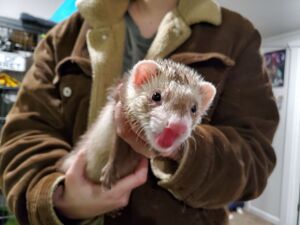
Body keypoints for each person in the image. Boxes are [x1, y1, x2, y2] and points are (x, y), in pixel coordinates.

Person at [0, 0, 279, 224]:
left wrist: (186, 153)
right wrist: (56, 196)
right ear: (140, 78)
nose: (177, 121)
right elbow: (23, 134)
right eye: (157, 98)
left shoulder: (237, 36)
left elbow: (254, 159)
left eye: (194, 109)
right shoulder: (64, 36)